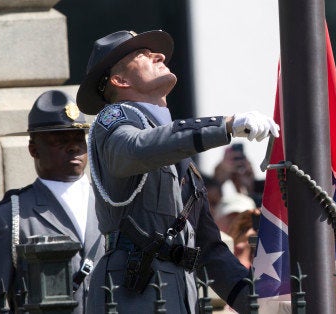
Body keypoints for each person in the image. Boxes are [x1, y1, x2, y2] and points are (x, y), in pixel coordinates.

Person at [76, 30, 279, 313]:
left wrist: (260, 306)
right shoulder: (113, 120)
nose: (159, 55)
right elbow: (136, 148)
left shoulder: (178, 156)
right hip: (132, 295)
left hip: (178, 296)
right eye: (144, 55)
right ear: (119, 80)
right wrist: (224, 126)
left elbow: (209, 252)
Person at [0, 90, 104, 313]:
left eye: (79, 137)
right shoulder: (9, 216)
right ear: (33, 150)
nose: (74, 147)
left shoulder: (111, 204)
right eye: (59, 140)